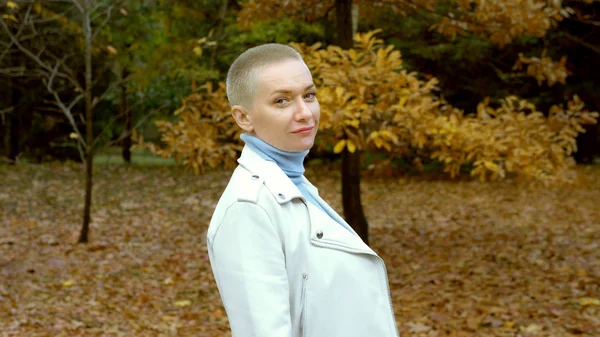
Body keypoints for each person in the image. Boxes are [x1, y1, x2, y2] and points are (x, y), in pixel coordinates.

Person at [206, 43, 399, 337]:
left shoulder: (294, 183)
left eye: (308, 95)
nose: (305, 113)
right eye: (282, 101)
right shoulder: (248, 207)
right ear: (243, 117)